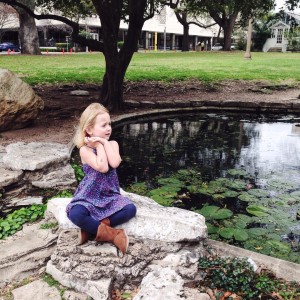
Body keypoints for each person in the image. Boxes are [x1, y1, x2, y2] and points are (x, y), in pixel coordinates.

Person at [66, 103, 137, 254]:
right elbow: (102, 167)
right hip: (89, 195)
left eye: (109, 124)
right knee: (76, 214)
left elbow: (114, 163)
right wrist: (98, 146)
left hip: (109, 195)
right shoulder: (85, 150)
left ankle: (92, 229)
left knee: (130, 209)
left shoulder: (113, 144)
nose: (109, 128)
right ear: (89, 129)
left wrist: (104, 143)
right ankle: (113, 235)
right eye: (103, 125)